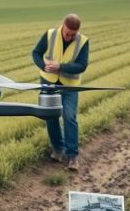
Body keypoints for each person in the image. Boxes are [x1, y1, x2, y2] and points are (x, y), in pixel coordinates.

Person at [31, 13, 89, 171]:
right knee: (51, 117)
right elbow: (36, 53)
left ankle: (72, 156)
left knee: (69, 117)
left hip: (69, 86)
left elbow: (82, 65)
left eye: (73, 34)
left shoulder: (83, 41)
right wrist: (43, 66)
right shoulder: (50, 34)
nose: (69, 37)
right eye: (67, 33)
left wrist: (60, 67)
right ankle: (57, 149)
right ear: (63, 26)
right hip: (48, 83)